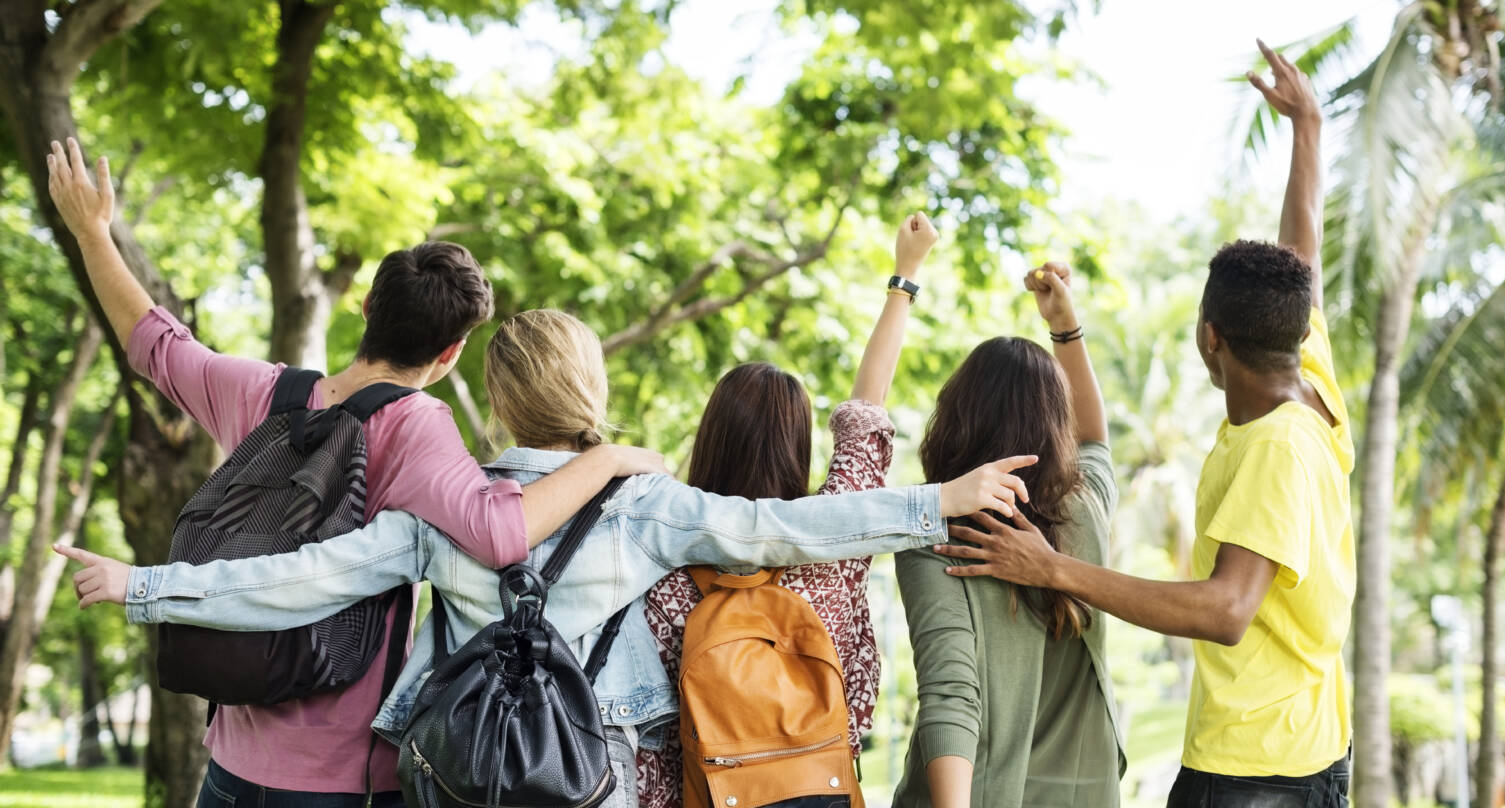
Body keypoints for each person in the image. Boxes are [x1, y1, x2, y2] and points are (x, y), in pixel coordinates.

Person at [57, 308, 1038, 808]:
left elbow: (296, 580)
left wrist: (144, 584)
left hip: (458, 770)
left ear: (499, 394)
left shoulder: (446, 507)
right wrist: (935, 502)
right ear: (591, 385)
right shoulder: (645, 504)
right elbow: (790, 529)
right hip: (590, 772)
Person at [45, 138, 666, 806]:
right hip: (340, 779)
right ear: (451, 353)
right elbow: (500, 532)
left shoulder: (262, 394)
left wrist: (93, 233)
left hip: (228, 766)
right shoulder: (417, 426)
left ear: (366, 308)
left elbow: (156, 345)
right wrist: (608, 458)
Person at [933, 40, 1354, 807]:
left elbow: (1227, 610)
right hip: (1308, 744)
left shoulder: (1275, 449)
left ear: (1209, 338)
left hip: (1255, 771)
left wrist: (1054, 568)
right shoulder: (1306, 374)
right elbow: (1302, 252)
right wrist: (1308, 129)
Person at [637, 212, 939, 807]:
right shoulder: (836, 540)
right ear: (796, 445)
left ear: (711, 438)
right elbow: (866, 411)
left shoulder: (659, 556)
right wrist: (904, 277)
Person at [891, 259, 1123, 807]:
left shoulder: (937, 536)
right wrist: (1066, 327)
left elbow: (951, 697)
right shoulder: (1084, 510)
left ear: (956, 418)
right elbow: (1095, 438)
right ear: (1053, 424)